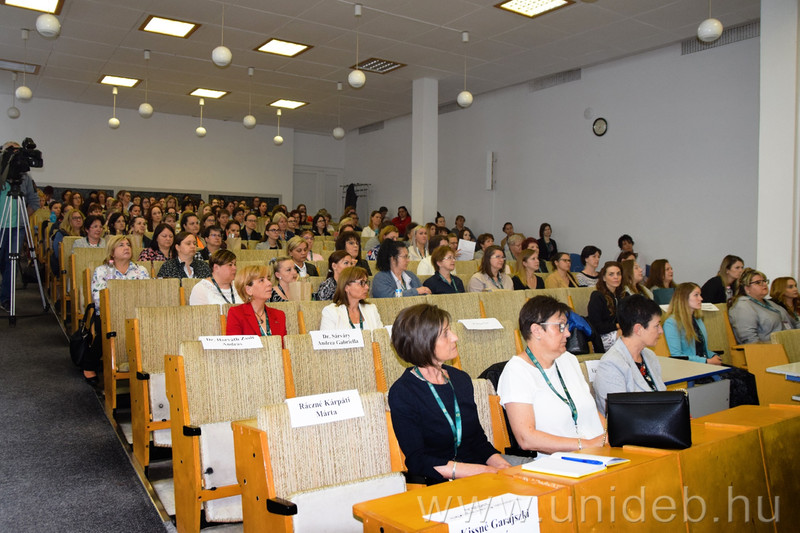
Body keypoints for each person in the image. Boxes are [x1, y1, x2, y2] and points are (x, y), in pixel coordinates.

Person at [388, 304, 510, 484]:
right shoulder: (403, 392)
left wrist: (501, 465)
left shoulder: (461, 379)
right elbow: (418, 460)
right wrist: (479, 471)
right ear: (423, 342)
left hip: (479, 474)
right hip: (439, 483)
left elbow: (477, 441)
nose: (455, 337)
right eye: (445, 333)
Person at [498, 296, 606, 456]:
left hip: (599, 453)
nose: (568, 333)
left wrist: (609, 436)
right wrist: (585, 444)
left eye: (566, 326)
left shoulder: (569, 360)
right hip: (558, 464)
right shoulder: (516, 371)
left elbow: (591, 412)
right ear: (537, 331)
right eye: (560, 327)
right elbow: (526, 438)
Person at [664, 282, 759, 407]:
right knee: (735, 382)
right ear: (684, 298)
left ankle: (751, 415)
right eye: (696, 295)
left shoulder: (697, 320)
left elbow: (703, 347)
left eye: (700, 295)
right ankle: (736, 416)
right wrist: (707, 362)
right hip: (692, 369)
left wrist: (713, 356)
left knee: (748, 376)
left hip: (707, 364)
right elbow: (677, 356)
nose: (701, 299)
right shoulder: (671, 323)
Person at [593, 295, 666, 414]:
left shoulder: (649, 356)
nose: (661, 331)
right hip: (633, 430)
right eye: (657, 325)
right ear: (638, 329)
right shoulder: (611, 364)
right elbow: (620, 415)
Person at [729, 268, 796, 344]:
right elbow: (750, 341)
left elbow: (794, 323)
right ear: (747, 288)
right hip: (768, 350)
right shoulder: (743, 306)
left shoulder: (770, 303)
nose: (764, 284)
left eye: (764, 281)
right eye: (758, 282)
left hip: (789, 344)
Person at [226, 264, 287, 337]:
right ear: (249, 290)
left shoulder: (279, 315)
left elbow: (283, 346)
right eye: (261, 280)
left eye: (268, 279)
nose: (269, 283)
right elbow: (235, 346)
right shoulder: (236, 314)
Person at [90, 235, 149, 309]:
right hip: (110, 313)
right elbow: (99, 300)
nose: (127, 247)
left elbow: (147, 296)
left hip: (137, 313)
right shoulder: (101, 271)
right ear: (112, 253)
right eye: (121, 245)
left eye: (128, 245)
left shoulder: (141, 270)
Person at [587, 262, 624, 351]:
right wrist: (618, 326)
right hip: (600, 337)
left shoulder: (623, 295)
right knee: (625, 334)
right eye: (611, 274)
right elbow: (597, 326)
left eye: (618, 274)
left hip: (620, 333)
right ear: (604, 278)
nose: (616, 277)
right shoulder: (597, 296)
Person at [50, 209, 84, 275]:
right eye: (75, 218)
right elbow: (58, 254)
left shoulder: (85, 233)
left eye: (80, 218)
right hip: (65, 264)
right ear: (68, 220)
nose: (78, 220)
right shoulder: (61, 234)